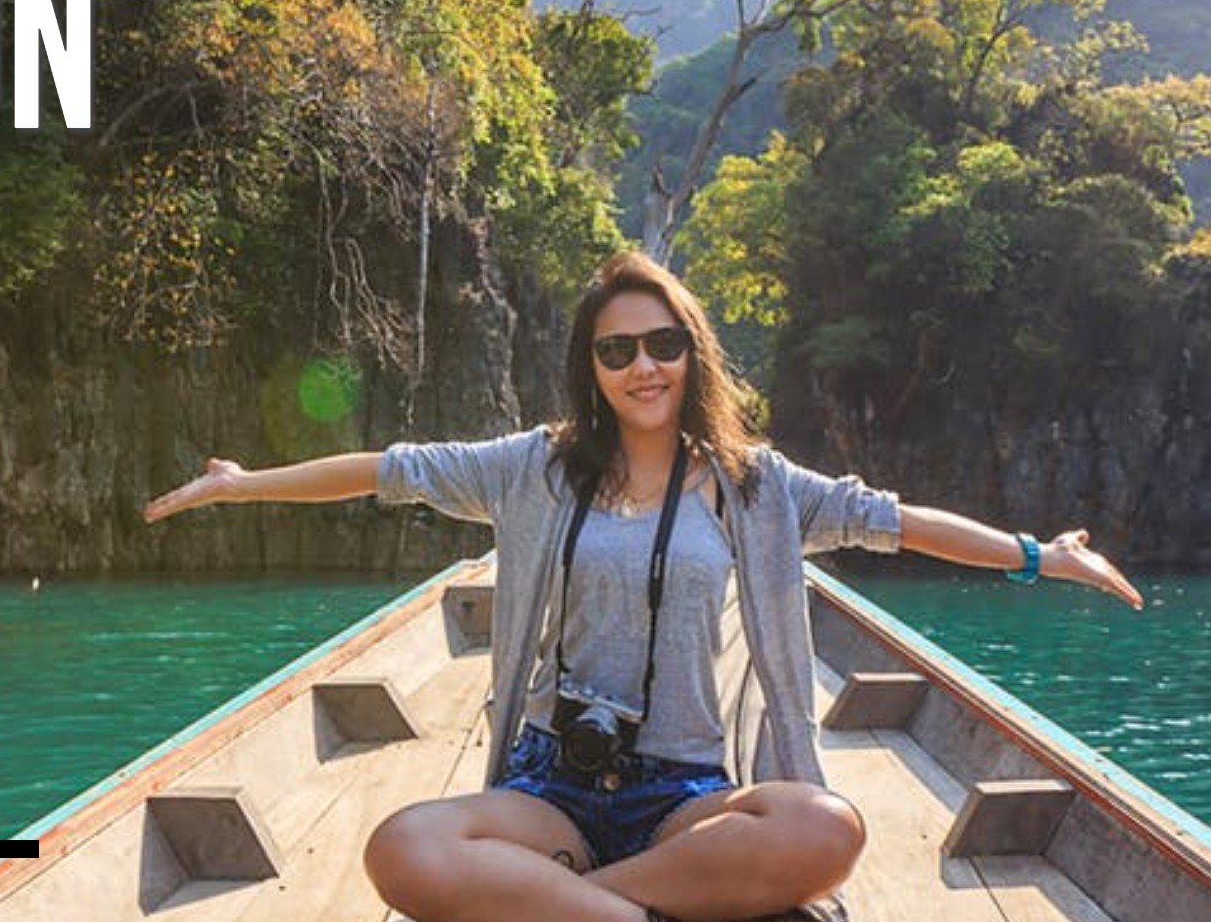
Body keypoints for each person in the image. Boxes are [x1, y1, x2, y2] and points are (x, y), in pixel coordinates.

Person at [143, 251, 1141, 922]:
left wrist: (1038, 555)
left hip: (683, 791)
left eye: (662, 344)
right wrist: (242, 485)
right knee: (401, 849)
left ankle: (568, 904)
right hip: (551, 785)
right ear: (592, 365)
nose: (643, 366)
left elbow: (897, 519)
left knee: (823, 828)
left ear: (689, 351)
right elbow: (383, 467)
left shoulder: (757, 488)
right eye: (616, 350)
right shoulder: (531, 467)